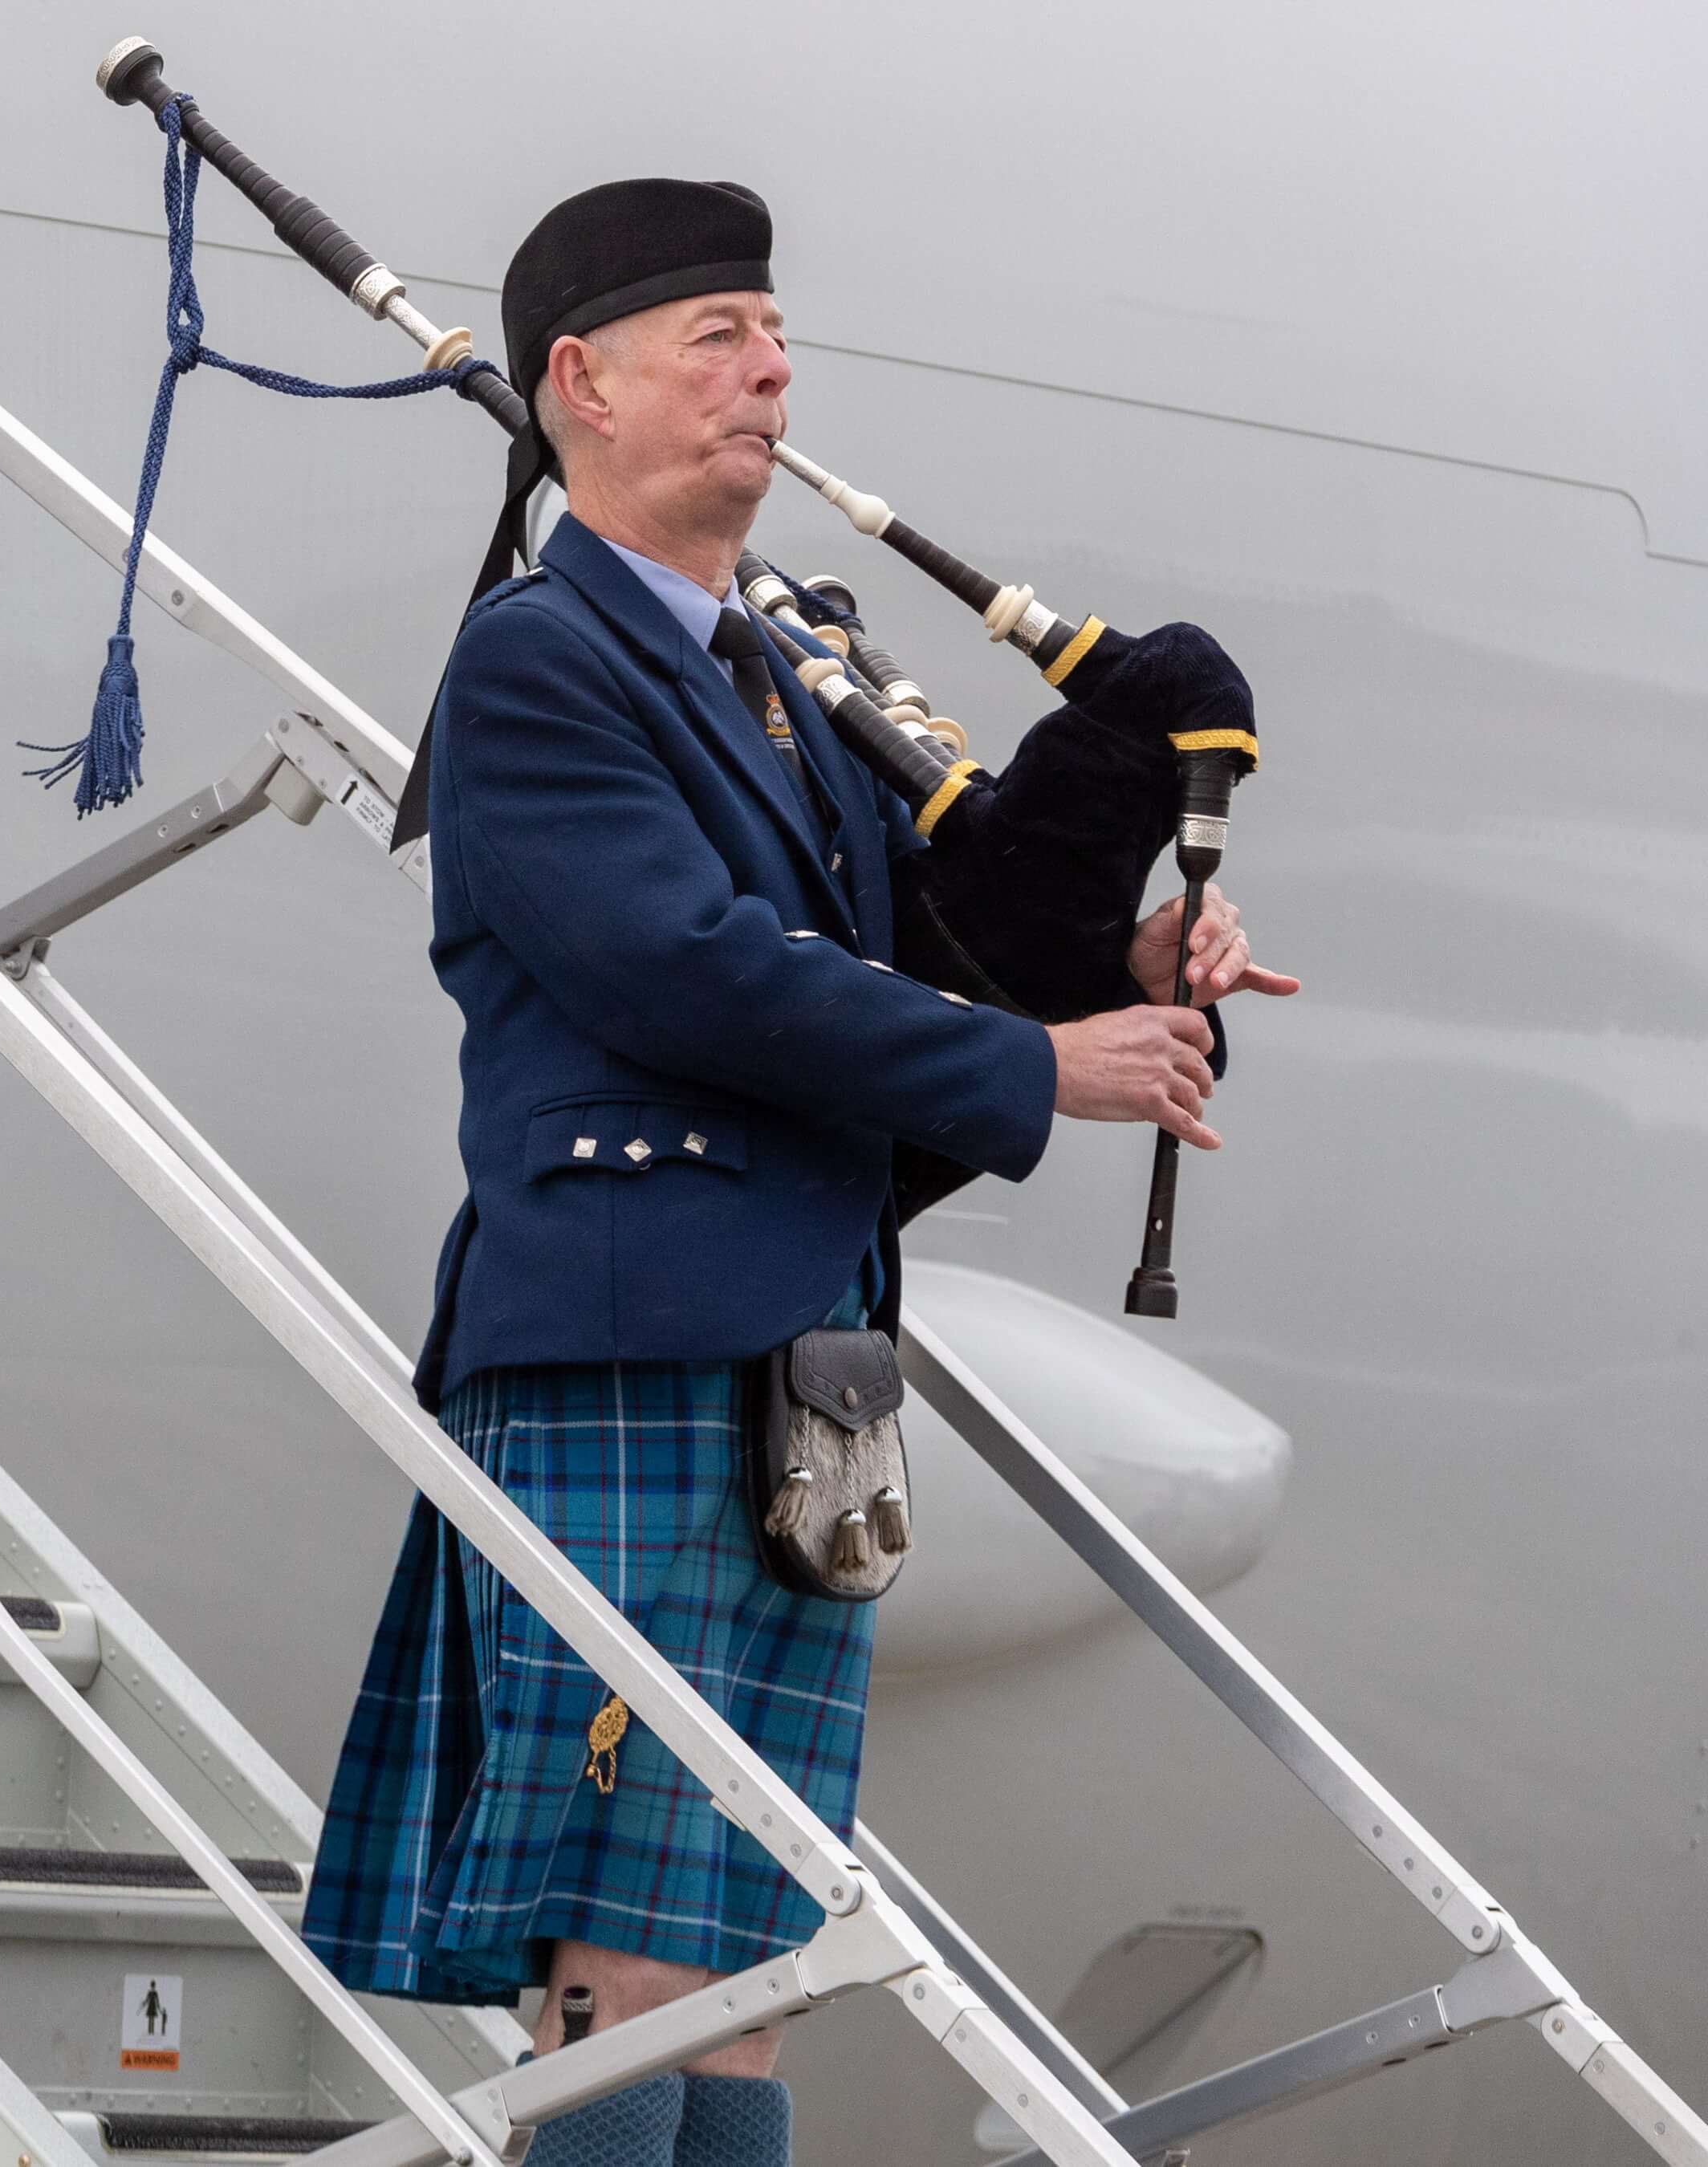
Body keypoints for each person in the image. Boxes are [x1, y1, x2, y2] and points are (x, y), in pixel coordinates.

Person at [301, 180, 1295, 2167]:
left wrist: (1123, 966)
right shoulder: (539, 662)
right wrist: (1034, 1068)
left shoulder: (780, 673)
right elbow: (687, 968)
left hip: (805, 1366)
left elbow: (925, 943)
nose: (771, 372)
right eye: (719, 337)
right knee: (625, 1959)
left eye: (774, 336)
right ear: (580, 385)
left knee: (752, 1964)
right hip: (632, 1342)